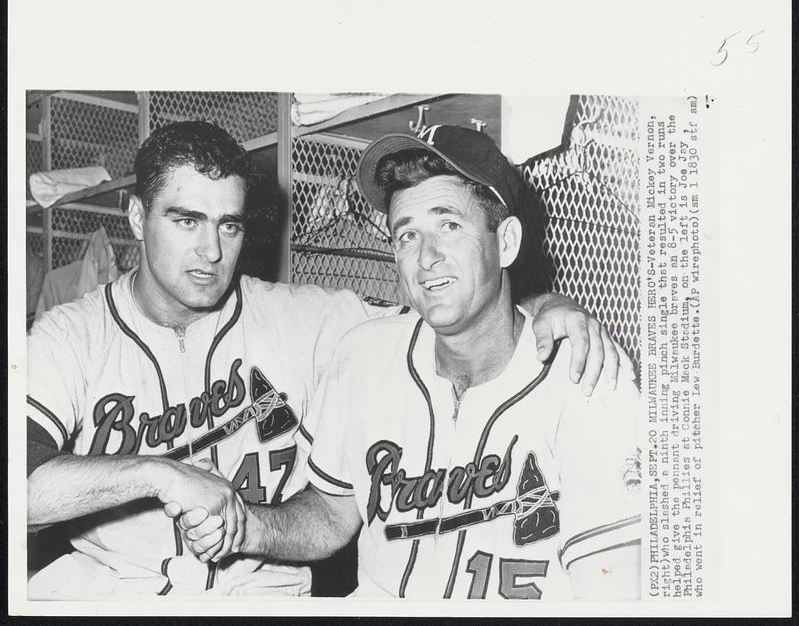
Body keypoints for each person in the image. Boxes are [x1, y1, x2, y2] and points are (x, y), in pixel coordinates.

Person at [27, 120, 621, 598]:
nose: (210, 251)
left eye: (229, 226)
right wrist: (154, 471)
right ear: (136, 217)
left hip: (261, 597)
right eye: (186, 221)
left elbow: (448, 305)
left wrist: (547, 303)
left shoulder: (313, 318)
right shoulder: (69, 336)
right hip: (109, 595)